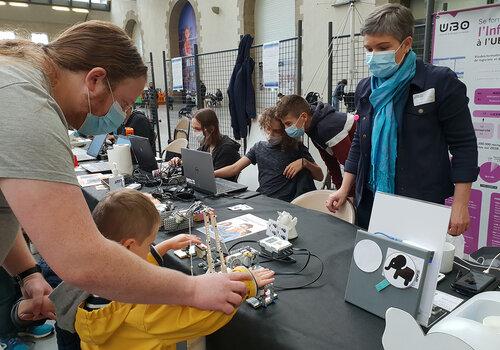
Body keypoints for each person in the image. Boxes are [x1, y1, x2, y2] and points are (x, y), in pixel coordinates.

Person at [0, 20, 251, 326]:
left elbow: (5, 206)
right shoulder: (25, 105)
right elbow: (83, 260)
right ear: (95, 81)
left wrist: (27, 271)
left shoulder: (17, 86)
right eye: (124, 102)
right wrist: (193, 288)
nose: (124, 113)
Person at [52, 189, 274, 350]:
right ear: (129, 244)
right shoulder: (141, 307)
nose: (150, 246)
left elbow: (125, 266)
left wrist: (160, 249)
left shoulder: (89, 283)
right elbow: (201, 318)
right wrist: (245, 282)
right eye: (148, 243)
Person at [326, 4, 478, 234]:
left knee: (413, 268)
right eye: (369, 48)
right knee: (370, 263)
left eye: (383, 47)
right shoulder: (366, 89)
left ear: (406, 44)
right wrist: (344, 188)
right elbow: (360, 140)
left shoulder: (440, 83)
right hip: (370, 199)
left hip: (420, 202)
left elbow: (464, 145)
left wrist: (460, 204)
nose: (374, 56)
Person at [215, 107, 323, 202]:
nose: (271, 134)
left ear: (285, 130)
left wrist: (304, 163)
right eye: (268, 129)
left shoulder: (297, 148)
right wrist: (212, 174)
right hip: (263, 200)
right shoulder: (259, 147)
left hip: (286, 205)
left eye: (276, 131)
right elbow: (235, 168)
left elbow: (320, 176)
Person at [276, 94, 356, 192]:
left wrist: (349, 194)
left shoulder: (327, 127)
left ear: (304, 116)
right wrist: (339, 189)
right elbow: (330, 162)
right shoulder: (312, 127)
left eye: (288, 124)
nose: (286, 129)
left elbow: (351, 165)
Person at [169, 108, 241, 181]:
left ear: (212, 129)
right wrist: (179, 161)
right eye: (193, 129)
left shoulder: (227, 149)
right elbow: (195, 159)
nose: (194, 133)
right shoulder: (207, 143)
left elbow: (216, 178)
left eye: (198, 129)